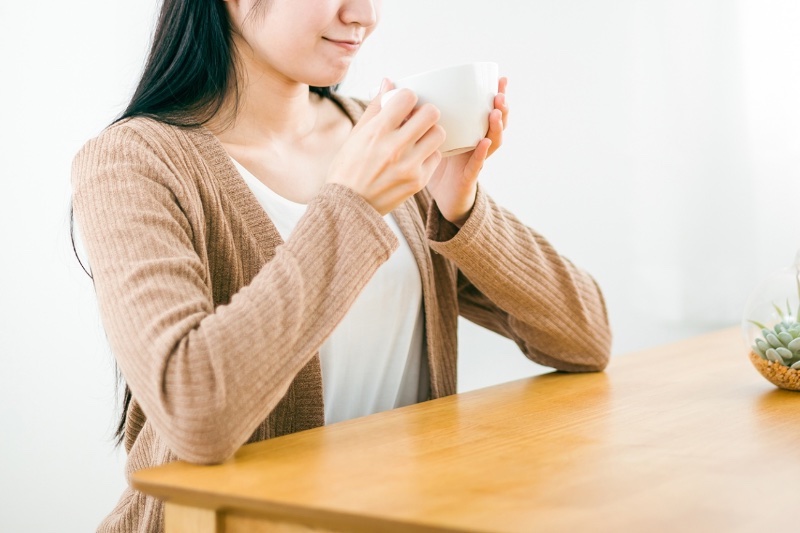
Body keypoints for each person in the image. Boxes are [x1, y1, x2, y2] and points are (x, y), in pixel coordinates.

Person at [71, 0, 612, 531]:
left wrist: (462, 210)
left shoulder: (381, 139)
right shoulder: (131, 162)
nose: (365, 15)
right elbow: (196, 413)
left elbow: (585, 337)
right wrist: (351, 206)